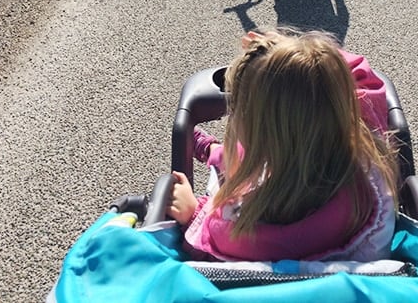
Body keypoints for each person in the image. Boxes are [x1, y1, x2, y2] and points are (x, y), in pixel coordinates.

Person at [167, 30, 398, 263]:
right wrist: (299, 56)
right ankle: (214, 151)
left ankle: (215, 153)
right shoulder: (358, 138)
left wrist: (193, 213)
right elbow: (362, 74)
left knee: (244, 167)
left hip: (281, 284)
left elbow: (214, 250)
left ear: (269, 134)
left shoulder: (266, 227)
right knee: (250, 157)